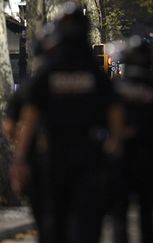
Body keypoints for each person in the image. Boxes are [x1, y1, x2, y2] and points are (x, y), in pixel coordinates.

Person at [10, 2, 124, 243]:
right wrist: (115, 145)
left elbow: (30, 117)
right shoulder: (95, 72)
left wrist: (20, 158)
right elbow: (115, 110)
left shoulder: (48, 72)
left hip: (54, 156)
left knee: (56, 221)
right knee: (88, 221)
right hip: (89, 156)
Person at [110, 37, 153, 243]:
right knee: (147, 218)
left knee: (119, 216)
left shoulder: (114, 89)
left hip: (118, 158)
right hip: (146, 159)